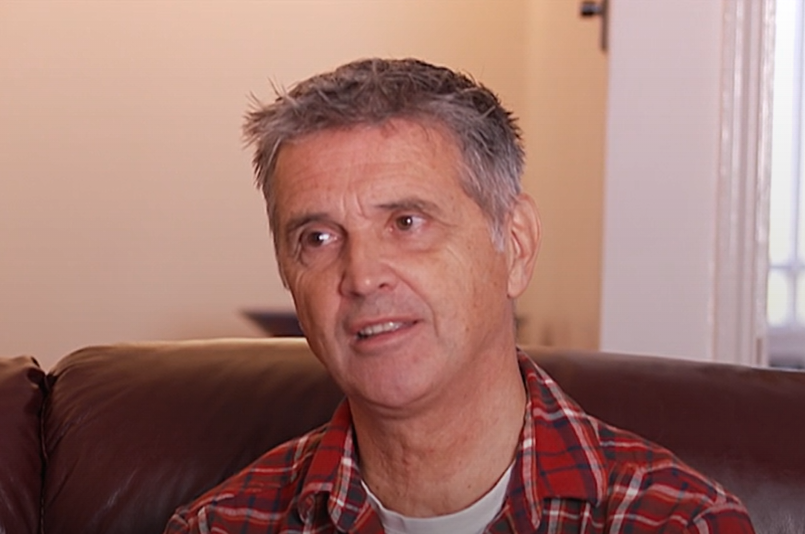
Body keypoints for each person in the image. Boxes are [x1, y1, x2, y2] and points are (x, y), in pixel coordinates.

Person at [165, 58, 755, 533]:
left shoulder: (679, 522)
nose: (363, 276)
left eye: (407, 223)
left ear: (516, 246)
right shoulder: (224, 524)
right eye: (318, 237)